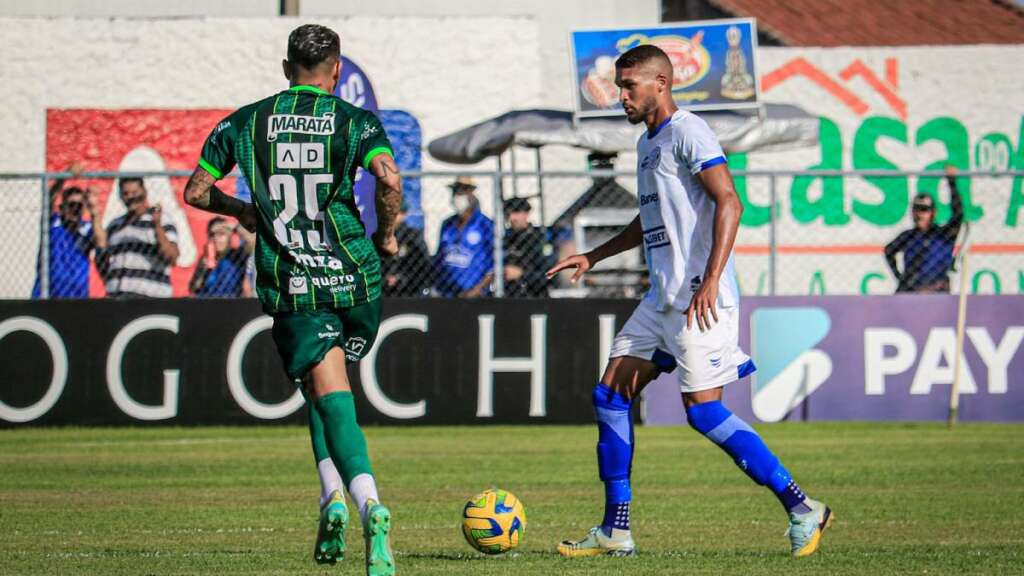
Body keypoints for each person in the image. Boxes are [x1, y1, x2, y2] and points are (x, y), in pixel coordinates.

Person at [548, 45, 832, 559]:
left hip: (702, 299)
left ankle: (802, 506)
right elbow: (650, 220)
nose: (622, 96)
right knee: (610, 396)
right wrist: (595, 254)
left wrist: (709, 280)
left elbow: (730, 200)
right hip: (662, 299)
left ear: (661, 82)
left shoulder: (688, 131)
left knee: (703, 414)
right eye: (619, 86)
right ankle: (616, 529)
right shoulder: (647, 143)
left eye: (629, 85)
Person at [183, 24, 398, 575]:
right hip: (358, 279)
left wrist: (242, 213)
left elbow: (197, 191)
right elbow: (389, 180)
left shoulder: (246, 121)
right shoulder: (355, 122)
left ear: (286, 68)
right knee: (326, 389)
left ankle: (368, 502)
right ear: (336, 69)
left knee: (326, 392)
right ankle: (330, 500)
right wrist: (389, 234)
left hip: (295, 279)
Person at [32, 164, 107, 298]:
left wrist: (94, 211)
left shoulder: (86, 228)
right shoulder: (53, 223)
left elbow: (101, 243)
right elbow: (49, 199)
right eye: (71, 205)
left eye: (79, 206)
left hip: (77, 296)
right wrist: (64, 176)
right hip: (47, 294)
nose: (75, 210)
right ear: (62, 207)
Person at [884, 166, 964, 293]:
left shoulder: (944, 234)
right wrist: (899, 277)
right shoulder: (908, 236)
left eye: (924, 210)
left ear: (934, 212)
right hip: (911, 291)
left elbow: (958, 215)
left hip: (937, 292)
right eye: (916, 209)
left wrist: (951, 182)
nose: (919, 214)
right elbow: (888, 251)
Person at [95, 177, 178, 298]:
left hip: (151, 297)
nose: (131, 197)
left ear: (144, 192)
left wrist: (156, 225)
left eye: (135, 193)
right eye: (126, 193)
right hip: (117, 297)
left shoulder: (163, 221)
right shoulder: (114, 225)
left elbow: (172, 257)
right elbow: (104, 263)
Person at [433, 176, 494, 297]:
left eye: (462, 192)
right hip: (446, 292)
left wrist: (477, 290)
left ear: (471, 195)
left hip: (474, 293)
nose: (457, 196)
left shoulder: (485, 225)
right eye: (455, 192)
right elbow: (440, 257)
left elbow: (493, 263)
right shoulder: (447, 224)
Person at [189, 216, 255, 297]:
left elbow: (252, 241)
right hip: (208, 305)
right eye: (212, 235)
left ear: (229, 236)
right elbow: (193, 289)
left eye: (221, 234)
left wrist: (233, 227)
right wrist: (203, 271)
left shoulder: (237, 255)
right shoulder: (205, 259)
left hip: (232, 304)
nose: (216, 239)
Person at [380, 199, 432, 297]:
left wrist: (401, 277)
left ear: (403, 214)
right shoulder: (377, 237)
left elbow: (424, 267)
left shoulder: (412, 237)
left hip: (409, 291)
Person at [502, 197, 548, 297]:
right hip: (510, 295)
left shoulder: (539, 238)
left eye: (516, 213)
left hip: (535, 295)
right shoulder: (506, 239)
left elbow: (550, 273)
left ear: (526, 214)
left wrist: (522, 274)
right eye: (508, 214)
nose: (511, 218)